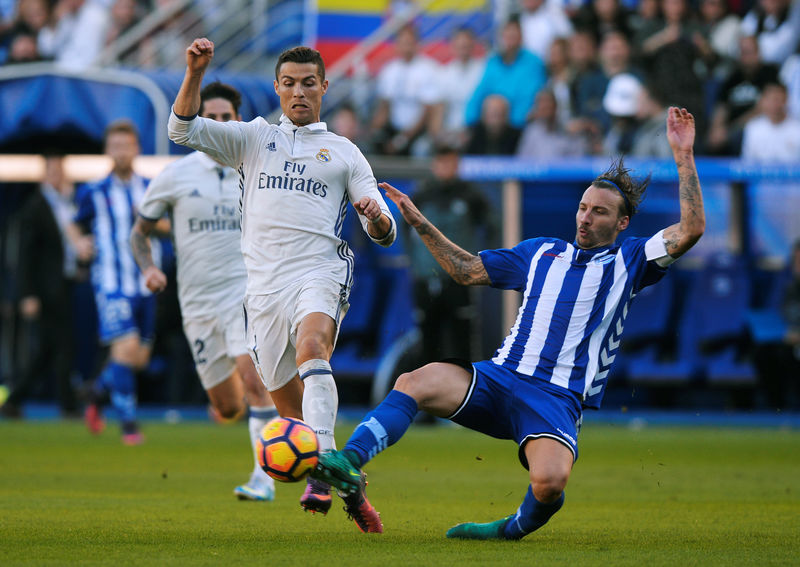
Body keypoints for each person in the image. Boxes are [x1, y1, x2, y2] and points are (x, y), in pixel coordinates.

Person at [312, 107, 705, 539]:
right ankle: (348, 463)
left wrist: (683, 156)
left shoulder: (629, 261)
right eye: (582, 208)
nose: (585, 218)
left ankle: (509, 529)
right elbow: (466, 270)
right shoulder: (541, 252)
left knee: (550, 483)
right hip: (499, 380)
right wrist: (422, 223)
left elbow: (690, 229)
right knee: (414, 380)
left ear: (622, 222)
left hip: (555, 399)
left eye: (599, 213)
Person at [168, 38, 396, 529]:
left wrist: (376, 219)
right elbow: (180, 128)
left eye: (308, 83)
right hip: (264, 289)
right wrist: (194, 72)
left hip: (320, 271)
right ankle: (348, 486)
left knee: (313, 347)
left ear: (324, 88)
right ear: (276, 88)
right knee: (289, 410)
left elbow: (386, 230)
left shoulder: (343, 152)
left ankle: (326, 462)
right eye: (289, 83)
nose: (298, 92)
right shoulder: (251, 138)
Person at [131, 81, 279, 501]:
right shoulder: (175, 176)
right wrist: (148, 268)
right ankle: (282, 407)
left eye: (225, 118)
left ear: (238, 121)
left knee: (254, 380)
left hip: (244, 293)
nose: (217, 125)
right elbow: (139, 233)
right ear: (198, 121)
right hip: (196, 303)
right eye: (208, 118)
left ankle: (263, 478)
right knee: (228, 407)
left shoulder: (255, 168)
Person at [70, 119, 157, 445]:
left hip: (146, 281)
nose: (121, 152)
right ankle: (129, 426)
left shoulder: (150, 188)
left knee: (139, 358)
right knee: (126, 348)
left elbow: (164, 225)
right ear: (108, 150)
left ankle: (95, 392)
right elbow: (74, 224)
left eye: (127, 145)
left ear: (136, 148)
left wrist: (155, 225)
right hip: (110, 282)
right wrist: (79, 243)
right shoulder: (94, 190)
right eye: (115, 146)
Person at [1, 154, 79, 418]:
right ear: (44, 174)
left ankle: (14, 401)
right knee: (62, 346)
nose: (57, 176)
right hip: (45, 290)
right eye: (52, 171)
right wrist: (27, 294)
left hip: (64, 284)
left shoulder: (64, 203)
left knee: (48, 349)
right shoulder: (35, 206)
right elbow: (25, 256)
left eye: (60, 171)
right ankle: (68, 406)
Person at [407, 144, 494, 364]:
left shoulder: (471, 195)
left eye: (451, 162)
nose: (446, 167)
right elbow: (404, 231)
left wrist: (479, 264)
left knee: (463, 342)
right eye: (442, 161)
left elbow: (493, 226)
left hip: (460, 280)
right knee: (427, 341)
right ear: (435, 164)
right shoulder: (422, 195)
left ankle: (467, 394)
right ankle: (429, 395)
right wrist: (416, 265)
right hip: (427, 280)